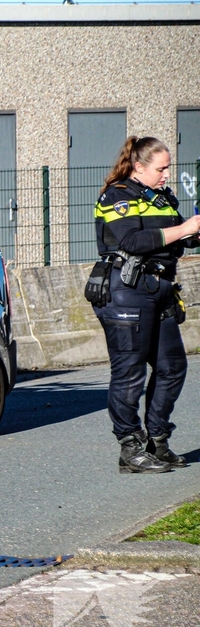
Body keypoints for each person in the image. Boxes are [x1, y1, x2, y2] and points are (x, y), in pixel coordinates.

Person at [92, 136, 200, 473]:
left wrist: (193, 234)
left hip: (161, 287)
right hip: (127, 289)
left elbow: (177, 236)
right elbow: (131, 241)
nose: (167, 174)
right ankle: (130, 449)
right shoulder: (118, 195)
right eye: (161, 168)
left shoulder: (161, 197)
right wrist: (183, 229)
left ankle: (158, 441)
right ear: (139, 166)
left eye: (168, 167)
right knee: (130, 372)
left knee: (172, 367)